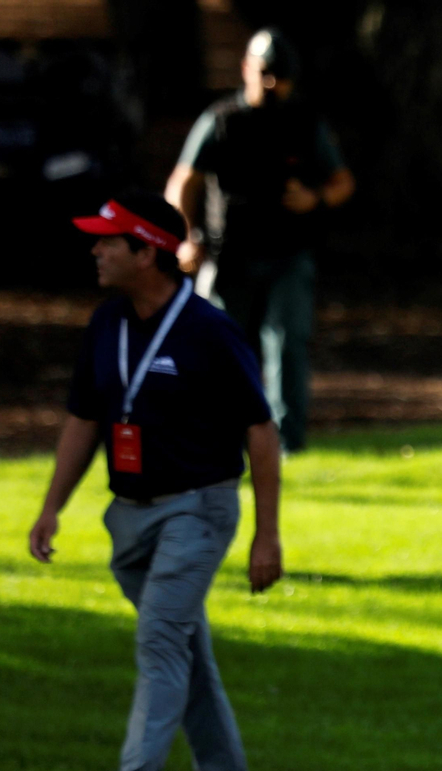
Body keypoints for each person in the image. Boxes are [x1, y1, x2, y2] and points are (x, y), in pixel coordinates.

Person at [29, 192, 283, 771]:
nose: (96, 250)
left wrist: (267, 535)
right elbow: (85, 419)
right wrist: (51, 508)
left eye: (109, 241)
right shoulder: (106, 324)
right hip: (131, 518)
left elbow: (260, 429)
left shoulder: (208, 329)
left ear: (147, 253)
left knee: (160, 640)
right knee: (184, 654)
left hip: (199, 510)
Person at [165, 26, 355, 453]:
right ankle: (221, 442)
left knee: (288, 344)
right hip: (228, 256)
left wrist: (315, 199)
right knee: (225, 351)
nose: (272, 83)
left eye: (281, 75)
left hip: (288, 254)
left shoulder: (305, 122)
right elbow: (183, 181)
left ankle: (287, 445)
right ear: (246, 69)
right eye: (265, 72)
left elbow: (342, 181)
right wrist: (185, 238)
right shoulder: (221, 121)